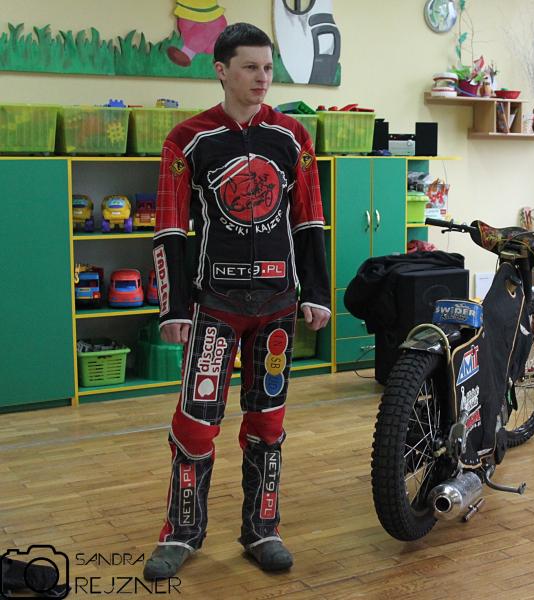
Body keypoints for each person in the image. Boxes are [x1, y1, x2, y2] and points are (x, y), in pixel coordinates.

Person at [143, 22, 331, 580]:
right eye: (250, 67)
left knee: (268, 425)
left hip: (277, 306)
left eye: (268, 68)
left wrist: (318, 293)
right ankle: (181, 533)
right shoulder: (187, 140)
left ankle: (262, 530)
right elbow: (170, 227)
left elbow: (310, 220)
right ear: (221, 70)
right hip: (213, 306)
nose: (262, 78)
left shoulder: (293, 137)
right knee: (196, 425)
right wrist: (174, 307)